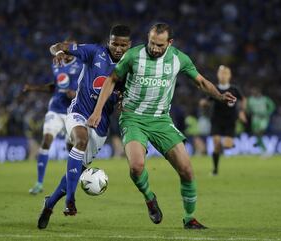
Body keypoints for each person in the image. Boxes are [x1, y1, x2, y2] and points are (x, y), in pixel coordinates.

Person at [87, 23, 237, 229]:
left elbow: (201, 82)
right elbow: (112, 79)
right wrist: (97, 111)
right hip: (133, 119)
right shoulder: (133, 55)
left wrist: (219, 96)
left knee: (186, 170)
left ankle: (189, 218)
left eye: (159, 45)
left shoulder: (178, 59)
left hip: (161, 120)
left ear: (170, 43)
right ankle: (149, 197)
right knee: (136, 166)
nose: (154, 48)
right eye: (151, 43)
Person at [37, 25, 131, 229]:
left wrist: (124, 101)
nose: (118, 48)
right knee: (80, 139)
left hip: (101, 125)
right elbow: (57, 46)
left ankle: (50, 203)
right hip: (79, 110)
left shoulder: (130, 66)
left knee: (77, 170)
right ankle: (71, 199)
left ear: (129, 45)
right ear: (109, 41)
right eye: (114, 43)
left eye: (123, 45)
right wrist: (60, 51)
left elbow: (125, 95)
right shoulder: (94, 51)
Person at [25, 40, 82, 195]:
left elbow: (88, 87)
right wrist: (34, 88)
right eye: (65, 46)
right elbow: (54, 86)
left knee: (72, 148)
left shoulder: (82, 63)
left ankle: (74, 179)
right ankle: (39, 183)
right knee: (46, 140)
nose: (68, 49)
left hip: (72, 112)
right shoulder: (57, 62)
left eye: (71, 47)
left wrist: (76, 94)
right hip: (55, 109)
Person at [199, 65, 246, 175]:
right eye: (221, 73)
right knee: (216, 144)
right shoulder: (215, 89)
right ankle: (215, 170)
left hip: (230, 121)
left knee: (227, 146)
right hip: (217, 120)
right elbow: (207, 101)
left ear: (229, 75)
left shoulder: (234, 89)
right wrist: (203, 103)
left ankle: (230, 144)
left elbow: (243, 99)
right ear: (218, 75)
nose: (223, 75)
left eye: (225, 73)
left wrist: (242, 111)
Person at [246, 87, 275, 153]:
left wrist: (267, 113)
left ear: (258, 92)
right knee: (257, 134)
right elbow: (247, 109)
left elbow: (272, 106)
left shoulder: (265, 99)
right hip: (255, 119)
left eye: (254, 92)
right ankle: (261, 146)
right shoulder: (250, 100)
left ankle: (262, 148)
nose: (253, 93)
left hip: (263, 119)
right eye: (252, 92)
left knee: (260, 132)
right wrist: (249, 112)